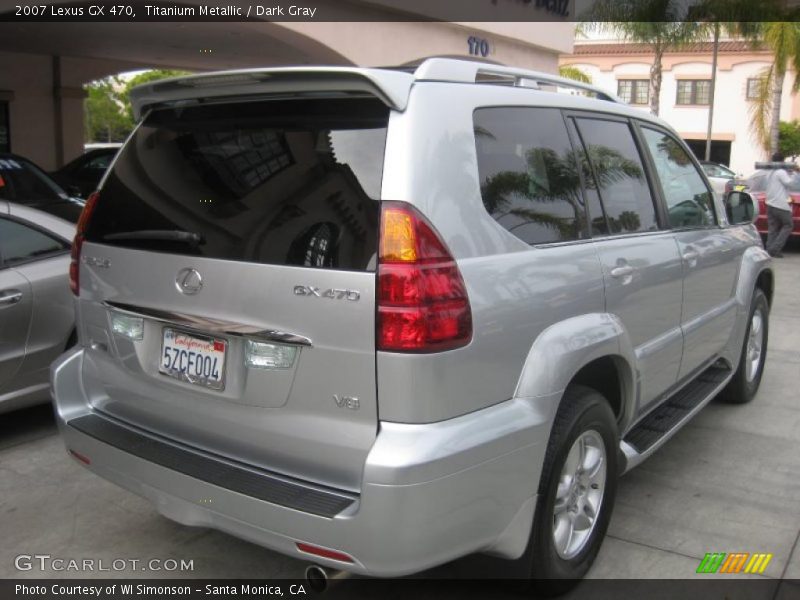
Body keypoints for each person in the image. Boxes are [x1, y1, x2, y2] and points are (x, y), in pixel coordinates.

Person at [763, 152, 796, 258]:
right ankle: (775, 249)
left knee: (773, 227)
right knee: (788, 225)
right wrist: (794, 174)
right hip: (780, 204)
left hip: (770, 203)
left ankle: (769, 249)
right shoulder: (781, 172)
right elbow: (789, 184)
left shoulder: (769, 172)